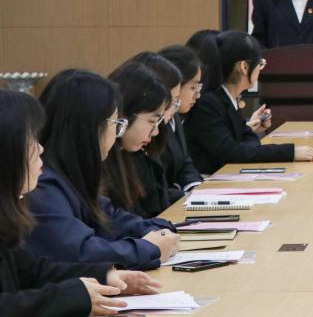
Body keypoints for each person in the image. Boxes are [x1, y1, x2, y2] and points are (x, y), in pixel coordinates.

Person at [0, 89, 161, 317]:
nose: (40, 148)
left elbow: (31, 272)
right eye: (30, 141)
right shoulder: (47, 186)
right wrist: (73, 296)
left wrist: (105, 276)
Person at [24, 70, 179, 271]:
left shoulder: (70, 174)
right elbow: (79, 253)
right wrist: (147, 247)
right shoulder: (43, 185)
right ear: (89, 127)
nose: (117, 134)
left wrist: (160, 231)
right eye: (116, 124)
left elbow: (112, 221)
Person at [187, 31, 313, 174]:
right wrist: (290, 152)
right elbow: (232, 151)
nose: (260, 69)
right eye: (260, 63)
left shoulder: (228, 97)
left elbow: (248, 140)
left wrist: (248, 142)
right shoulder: (208, 102)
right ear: (244, 67)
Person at [103, 61, 172, 218]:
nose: (155, 132)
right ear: (125, 112)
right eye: (152, 121)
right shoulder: (99, 162)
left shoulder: (133, 156)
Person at [157, 44, 204, 199]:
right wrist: (185, 195)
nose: (198, 95)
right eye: (193, 87)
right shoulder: (154, 122)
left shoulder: (175, 116)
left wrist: (195, 187)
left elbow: (184, 162)